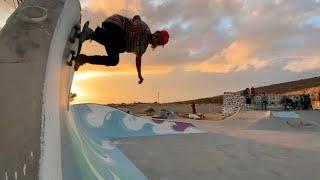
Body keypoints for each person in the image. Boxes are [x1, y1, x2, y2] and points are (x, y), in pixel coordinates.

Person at [74, 14, 170, 84]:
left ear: (157, 45)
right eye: (157, 36)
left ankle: (82, 59)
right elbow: (137, 17)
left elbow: (138, 60)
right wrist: (136, 24)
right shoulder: (145, 29)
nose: (156, 39)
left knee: (114, 61)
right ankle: (91, 34)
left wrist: (139, 75)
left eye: (158, 41)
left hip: (111, 39)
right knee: (122, 47)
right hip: (114, 24)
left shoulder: (142, 49)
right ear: (155, 33)